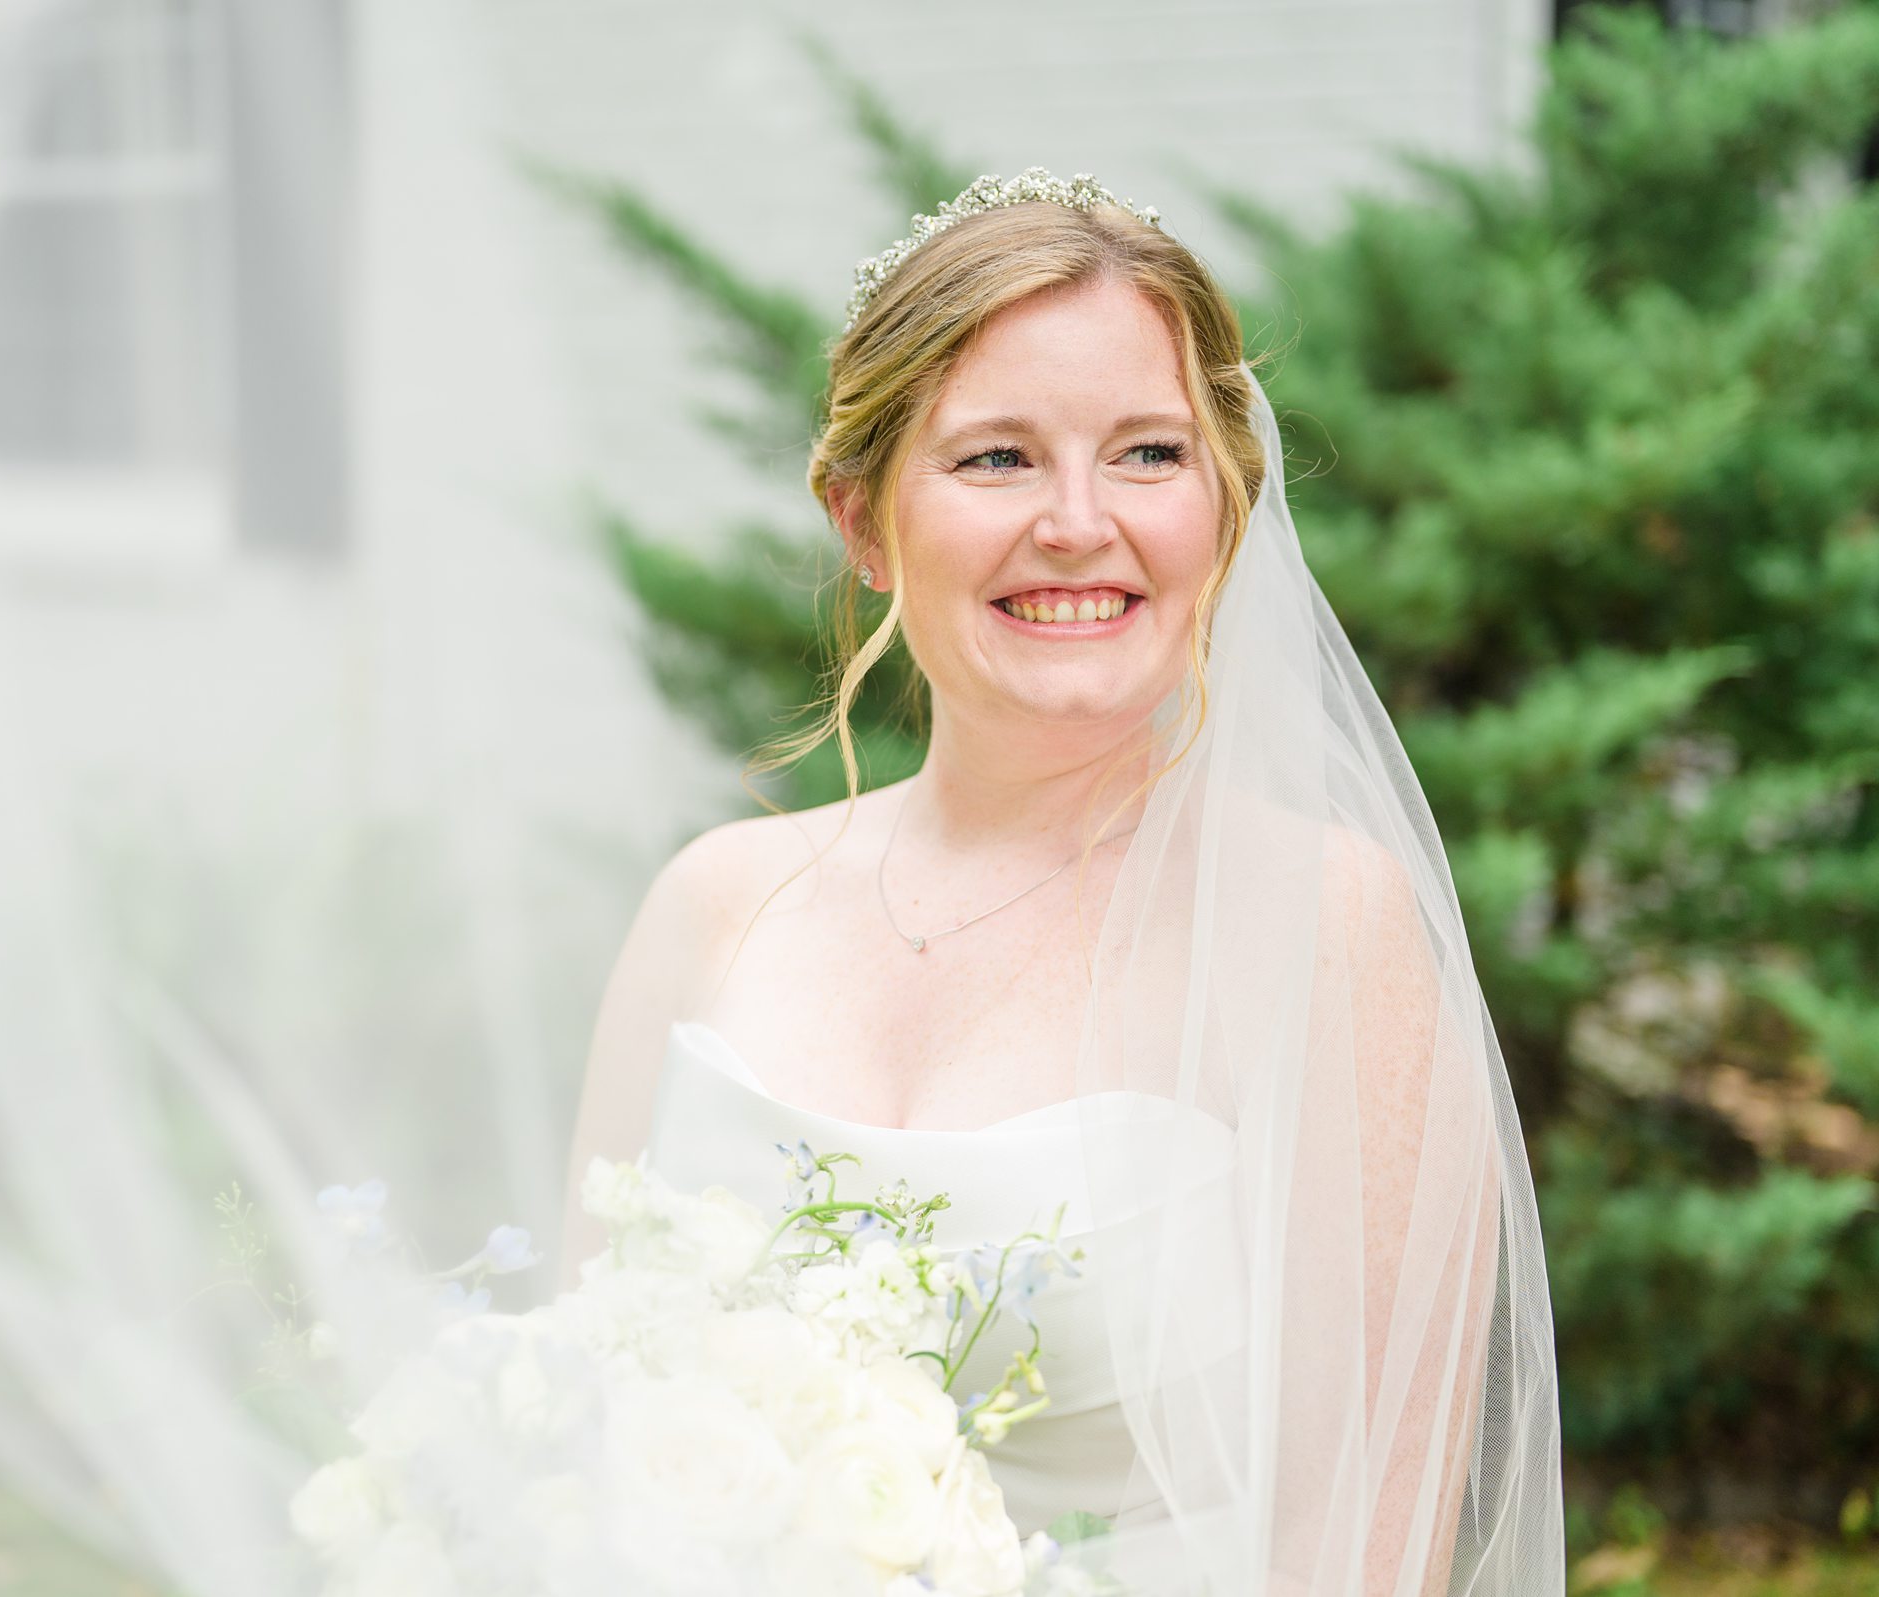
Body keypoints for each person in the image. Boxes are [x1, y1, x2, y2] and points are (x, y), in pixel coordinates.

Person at [560, 169, 1564, 1596]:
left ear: (1223, 506)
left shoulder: (1324, 929)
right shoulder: (716, 908)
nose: (1080, 521)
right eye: (997, 459)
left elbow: (1367, 1543)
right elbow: (570, 1425)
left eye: (1149, 453)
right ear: (863, 519)